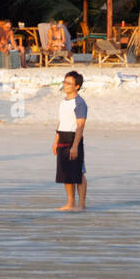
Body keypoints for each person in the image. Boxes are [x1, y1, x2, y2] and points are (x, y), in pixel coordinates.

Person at [54, 70, 88, 211]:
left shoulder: (79, 103)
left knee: (78, 172)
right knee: (65, 172)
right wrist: (55, 140)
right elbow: (61, 121)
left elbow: (80, 125)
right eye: (64, 82)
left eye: (69, 83)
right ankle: (70, 203)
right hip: (63, 136)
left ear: (77, 86)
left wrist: (75, 146)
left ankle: (81, 204)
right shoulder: (63, 101)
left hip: (74, 138)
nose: (65, 85)